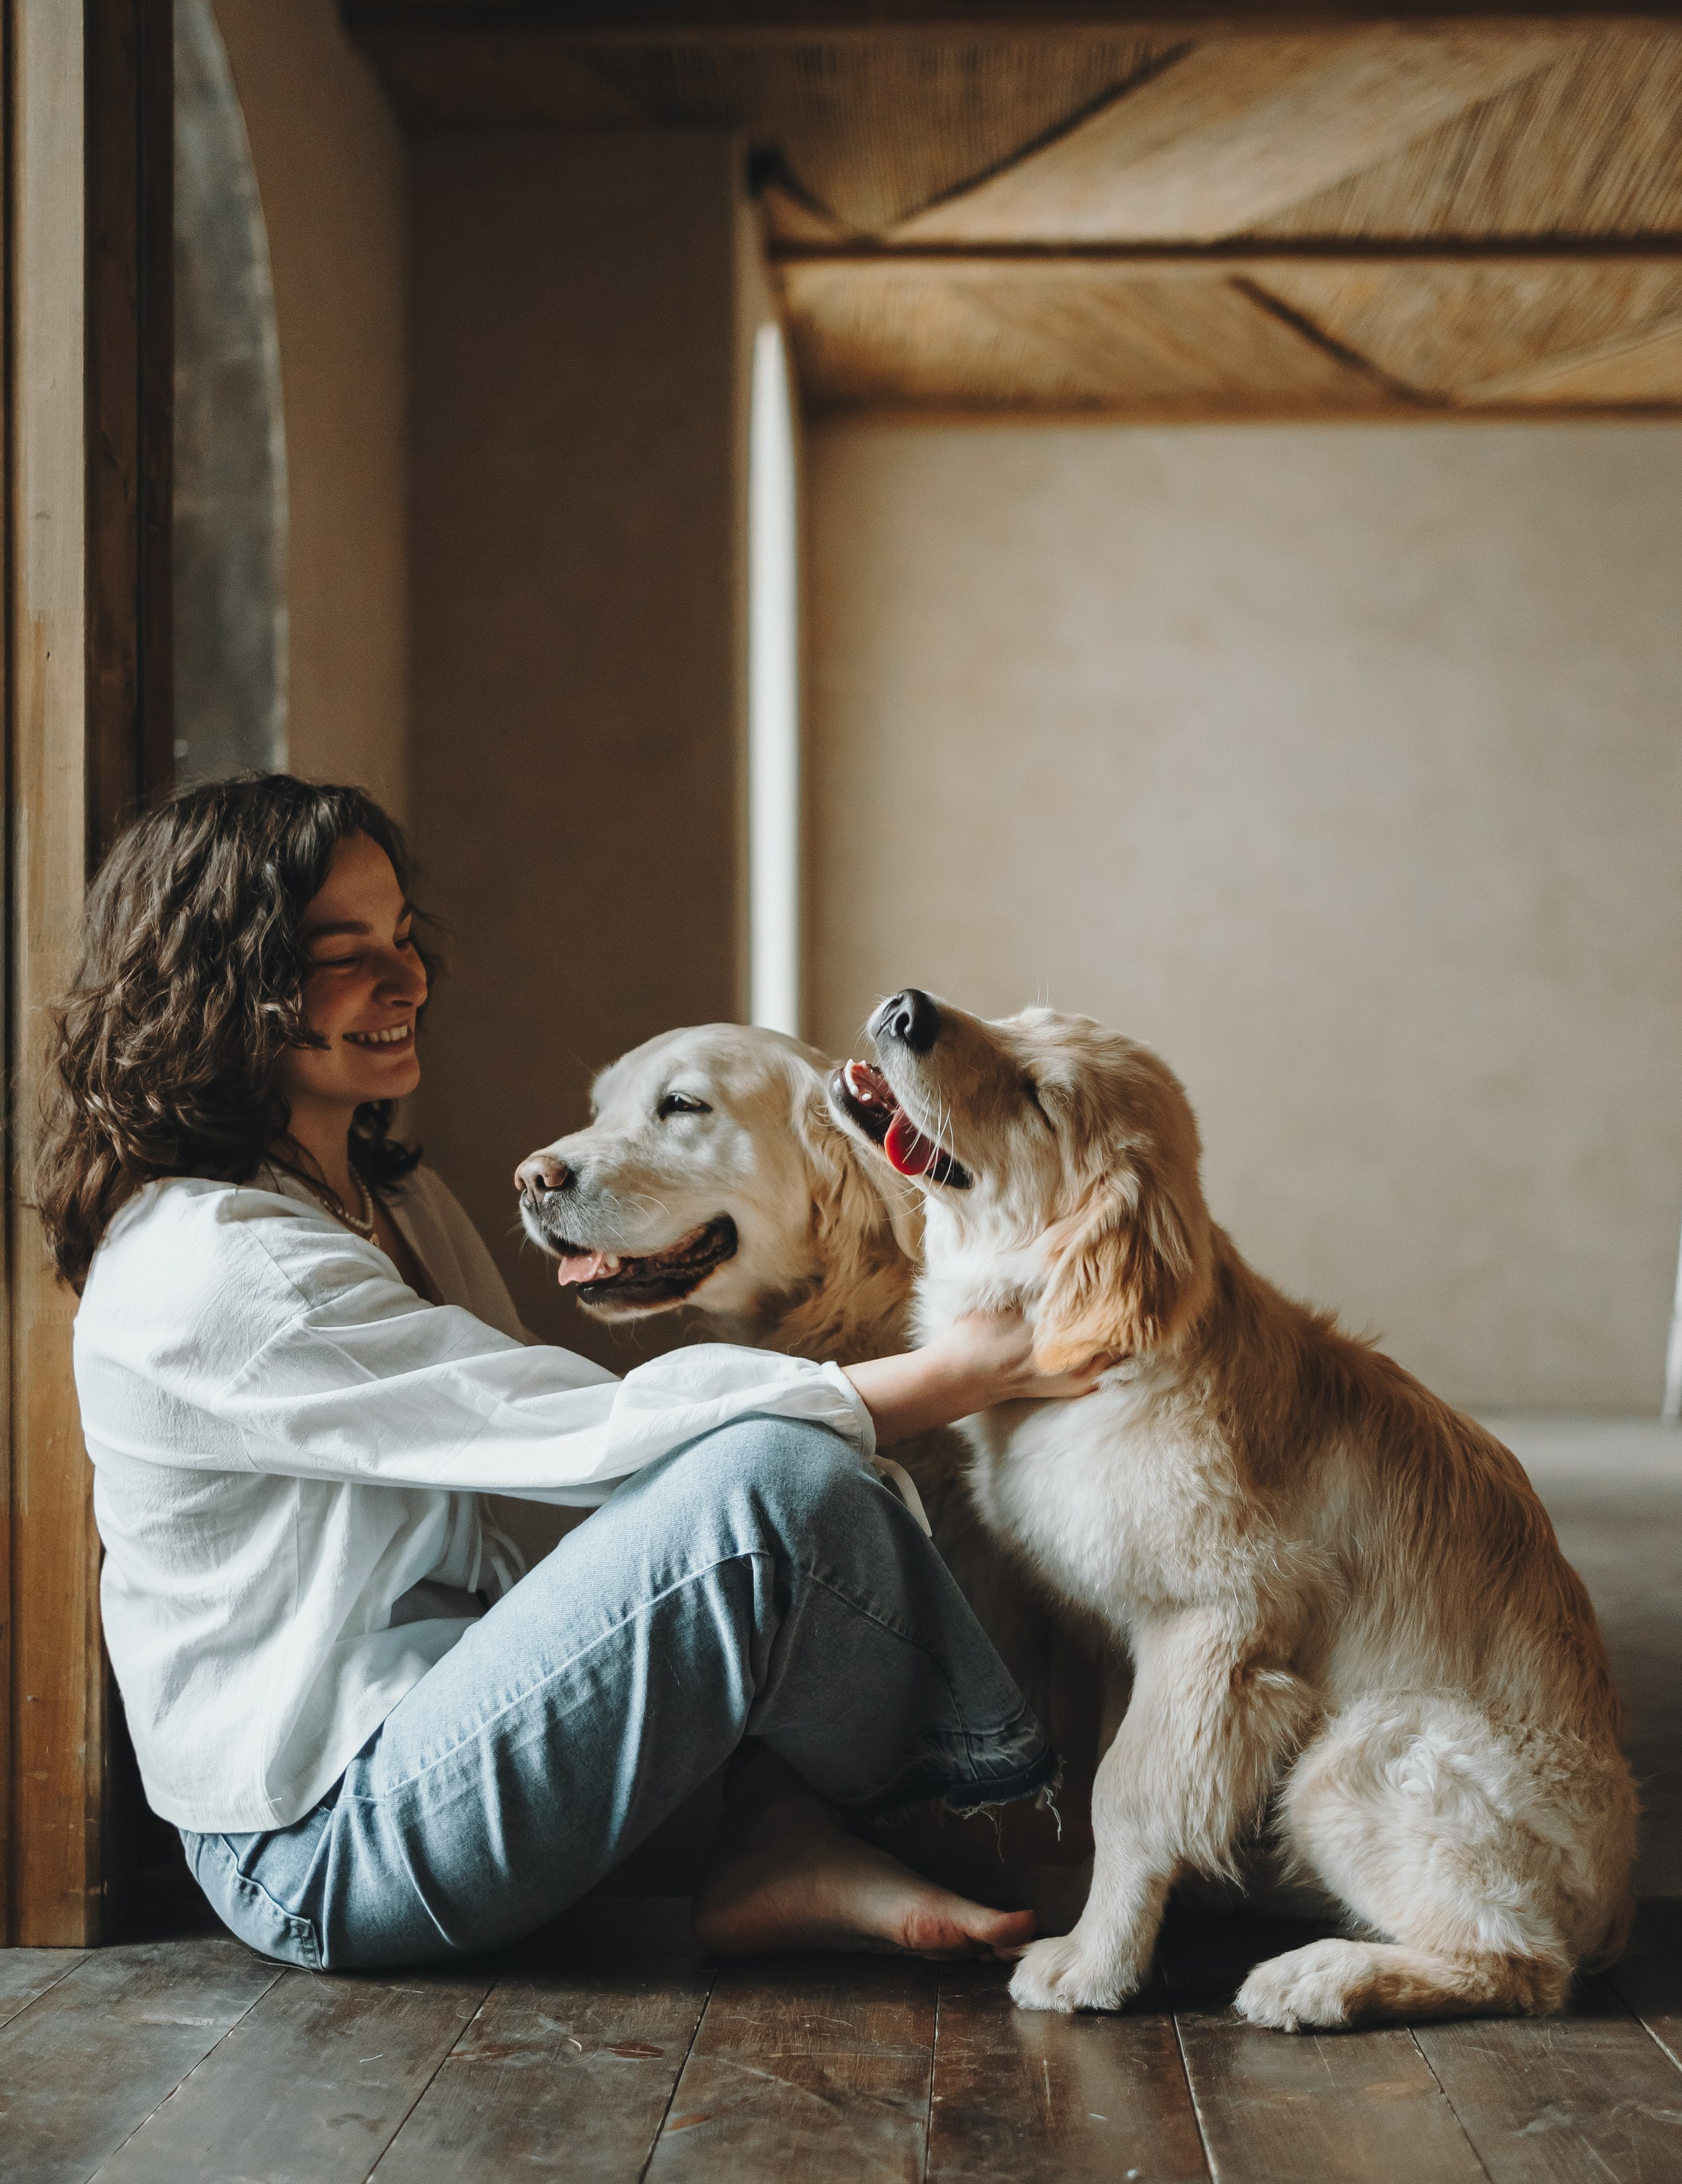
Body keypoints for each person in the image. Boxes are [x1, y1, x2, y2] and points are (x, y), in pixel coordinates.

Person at [36, 775, 1099, 1973]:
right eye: (344, 955)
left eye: (401, 939)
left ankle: (785, 1837)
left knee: (775, 1480)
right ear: (221, 984)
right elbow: (568, 1436)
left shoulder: (396, 1204)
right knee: (769, 1486)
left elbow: (535, 1516)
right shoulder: (214, 1263)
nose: (404, 983)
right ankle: (1029, 1827)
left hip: (446, 1732)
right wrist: (961, 1371)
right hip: (320, 1848)